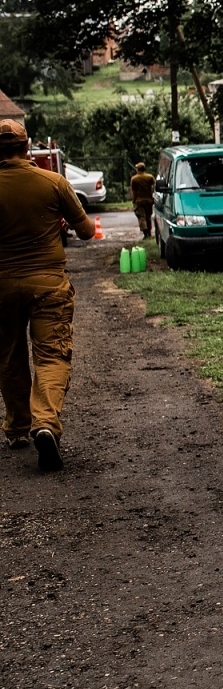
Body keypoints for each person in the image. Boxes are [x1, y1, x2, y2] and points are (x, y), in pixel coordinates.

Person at [0, 118, 96, 471]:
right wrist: (61, 220)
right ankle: (45, 423)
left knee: (9, 356)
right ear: (27, 148)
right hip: (48, 284)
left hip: (2, 287)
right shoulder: (53, 182)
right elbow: (86, 231)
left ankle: (17, 428)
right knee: (52, 356)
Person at [129, 161, 156, 238]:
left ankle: (145, 233)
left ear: (138, 169)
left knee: (141, 217)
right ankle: (149, 232)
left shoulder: (134, 179)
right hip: (149, 200)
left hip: (139, 201)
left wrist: (133, 200)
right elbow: (154, 187)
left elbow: (133, 191)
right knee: (148, 216)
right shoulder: (150, 177)